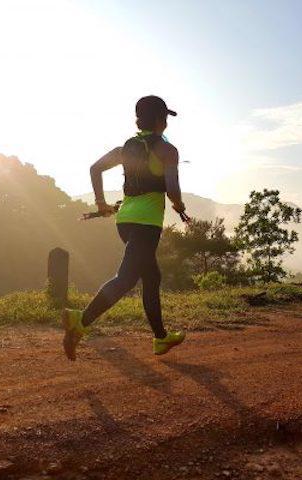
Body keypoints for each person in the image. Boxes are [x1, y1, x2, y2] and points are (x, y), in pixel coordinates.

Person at [62, 95, 187, 360]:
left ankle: (161, 338)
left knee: (151, 277)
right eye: (165, 117)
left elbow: (95, 168)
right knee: (127, 278)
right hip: (146, 223)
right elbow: (173, 190)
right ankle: (81, 321)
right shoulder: (167, 151)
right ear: (158, 120)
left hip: (125, 222)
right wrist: (179, 206)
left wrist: (101, 203)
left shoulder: (125, 149)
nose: (166, 122)